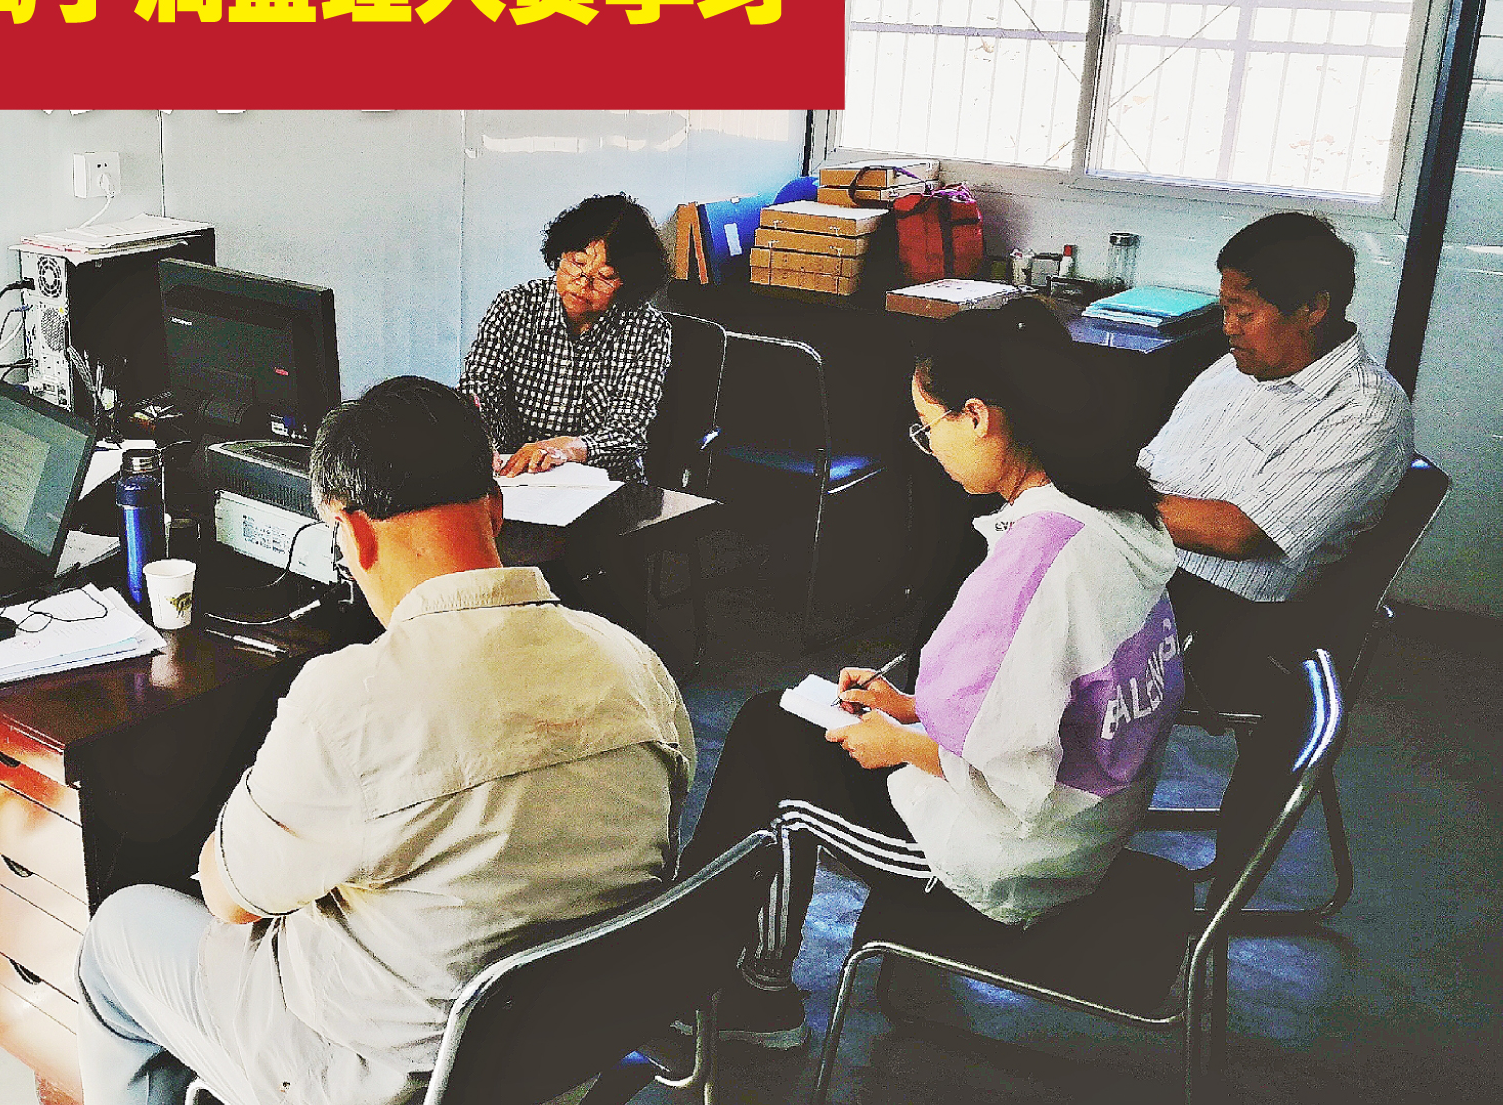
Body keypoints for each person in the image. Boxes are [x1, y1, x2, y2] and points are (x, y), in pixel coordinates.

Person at [54, 376, 693, 1105]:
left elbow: (228, 895)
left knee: (118, 936)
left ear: (350, 534)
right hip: (572, 1071)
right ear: (495, 506)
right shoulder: (631, 663)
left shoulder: (352, 698)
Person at [685, 300, 1184, 1048]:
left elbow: (1016, 773)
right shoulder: (1117, 516)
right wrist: (914, 707)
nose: (928, 446)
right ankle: (701, 948)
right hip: (1089, 821)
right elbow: (1054, 696)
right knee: (772, 720)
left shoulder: (1036, 561)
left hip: (1011, 855)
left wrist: (898, 743)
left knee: (777, 778)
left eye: (928, 426)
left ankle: (750, 994)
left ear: (978, 417)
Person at [1140, 212, 1413, 702]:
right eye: (1225, 310)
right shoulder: (1235, 369)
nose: (1228, 329)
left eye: (1244, 314)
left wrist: (1106, 499)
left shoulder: (1364, 409)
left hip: (1217, 614)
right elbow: (1152, 466)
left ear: (1313, 308)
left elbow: (1241, 533)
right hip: (1149, 560)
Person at [460, 193, 673, 480]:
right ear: (560, 254)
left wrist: (569, 449)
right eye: (577, 263)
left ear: (628, 283)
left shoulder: (648, 330)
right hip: (515, 476)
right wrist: (482, 442)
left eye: (605, 276)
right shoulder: (514, 307)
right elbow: (477, 394)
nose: (583, 284)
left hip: (607, 482)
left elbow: (628, 434)